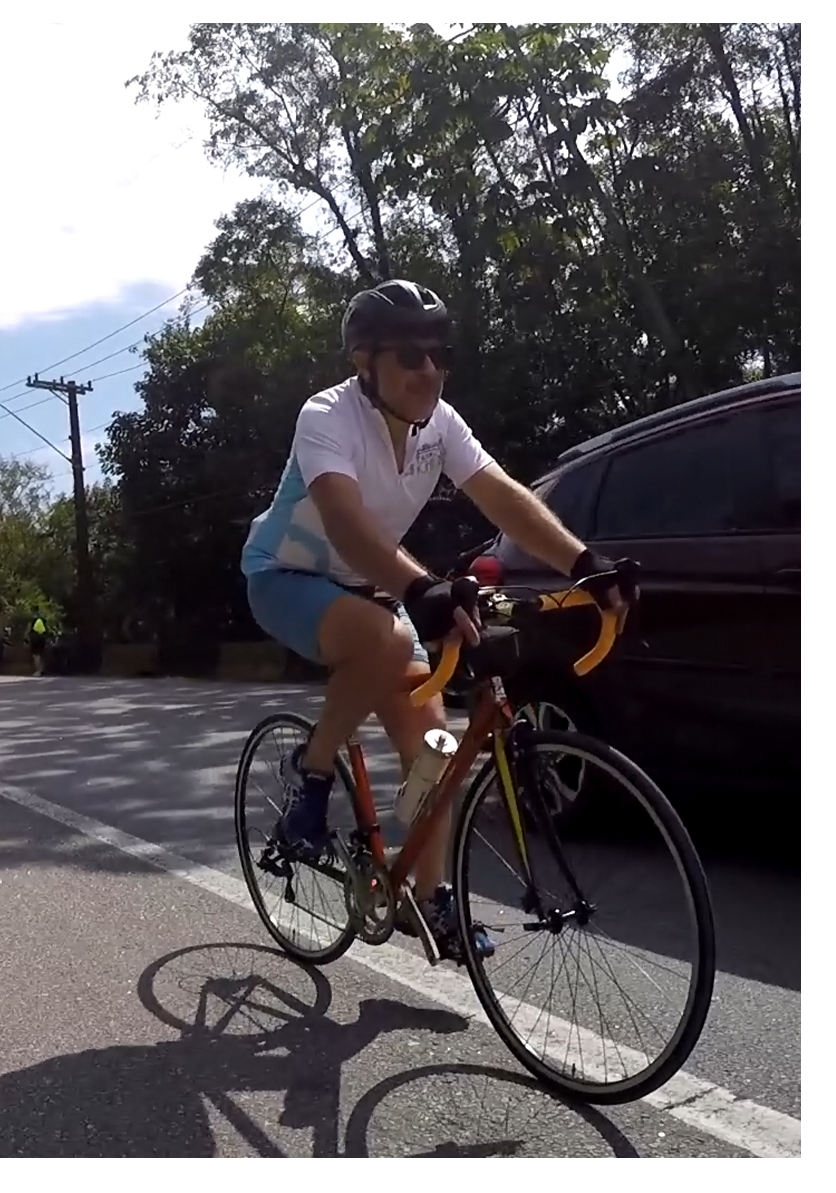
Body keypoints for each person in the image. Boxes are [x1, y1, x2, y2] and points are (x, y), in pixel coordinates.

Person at [240, 278, 636, 961]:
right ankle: (312, 775)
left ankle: (427, 897)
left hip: (374, 585)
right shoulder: (327, 415)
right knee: (387, 636)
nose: (428, 369)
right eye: (409, 355)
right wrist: (422, 588)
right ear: (364, 362)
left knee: (436, 749)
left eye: (439, 354)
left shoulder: (440, 424)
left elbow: (501, 496)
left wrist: (584, 563)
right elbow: (344, 519)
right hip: (285, 577)